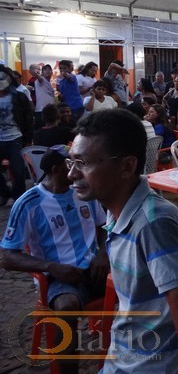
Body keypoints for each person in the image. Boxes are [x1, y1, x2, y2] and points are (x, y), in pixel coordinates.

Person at [68, 109, 178, 372]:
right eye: (72, 162)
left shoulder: (153, 224)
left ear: (127, 166)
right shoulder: (118, 212)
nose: (72, 174)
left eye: (83, 163)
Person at [0, 145, 107, 374]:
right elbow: (8, 257)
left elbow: (104, 226)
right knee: (66, 308)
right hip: (58, 277)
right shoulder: (29, 203)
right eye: (72, 165)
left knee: (140, 279)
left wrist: (102, 253)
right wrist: (52, 267)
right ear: (57, 170)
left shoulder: (84, 192)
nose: (79, 170)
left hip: (94, 269)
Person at [0, 66, 33, 206]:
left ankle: (19, 198)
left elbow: (28, 118)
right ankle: (4, 193)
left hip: (15, 137)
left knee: (18, 171)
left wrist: (28, 139)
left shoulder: (19, 96)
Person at [31, 63, 55, 130]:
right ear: (42, 72)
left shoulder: (49, 83)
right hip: (41, 111)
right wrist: (37, 74)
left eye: (49, 69)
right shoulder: (41, 80)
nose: (47, 71)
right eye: (45, 69)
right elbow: (40, 78)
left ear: (52, 72)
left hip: (50, 111)